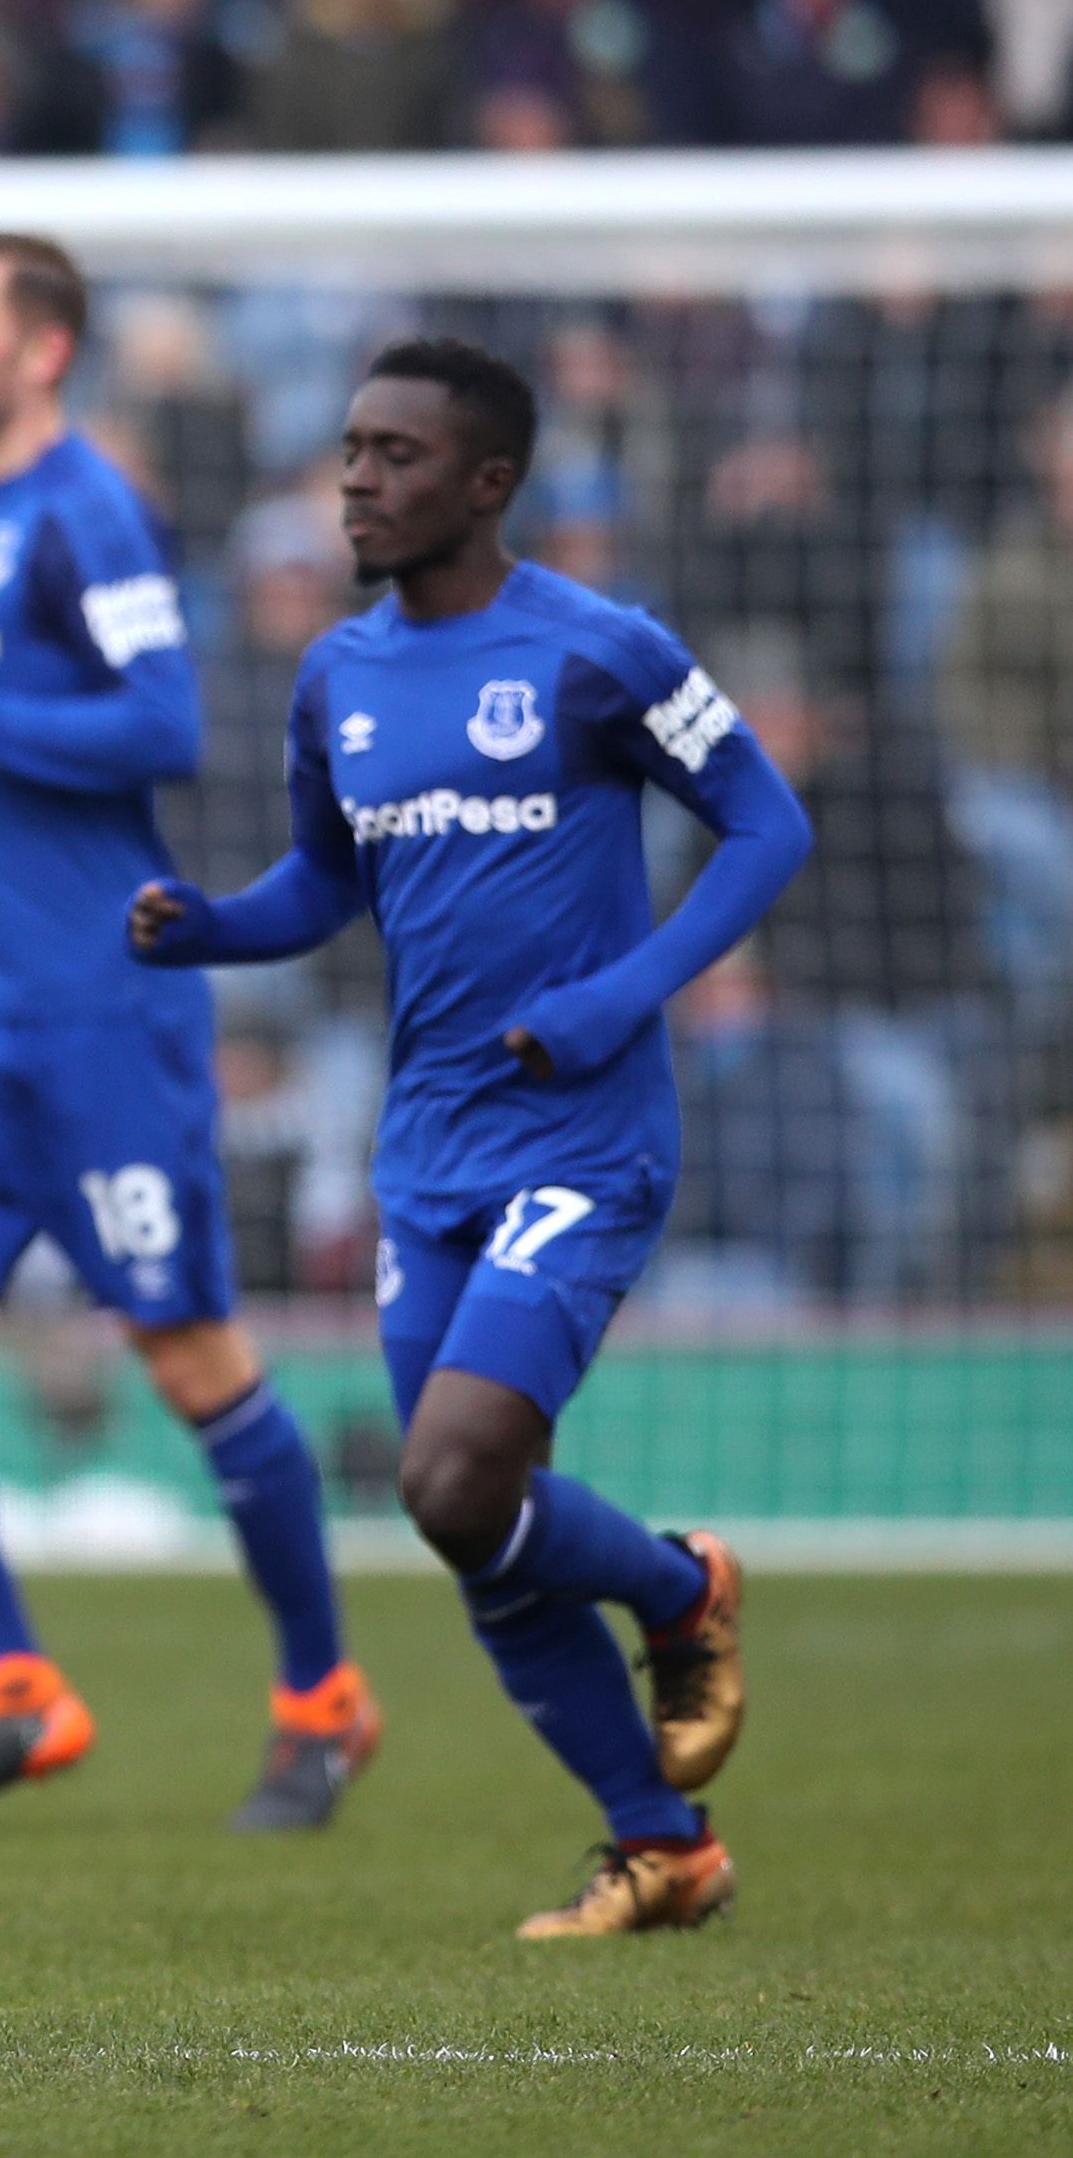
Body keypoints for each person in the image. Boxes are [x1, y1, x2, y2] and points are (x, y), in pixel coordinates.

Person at [130, 338, 809, 1937]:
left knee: (450, 1471)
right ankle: (661, 1846)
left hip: (580, 1135)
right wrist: (210, 929)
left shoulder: (597, 651)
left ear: (487, 482)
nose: (356, 480)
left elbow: (765, 822)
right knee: (472, 1529)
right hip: (420, 1143)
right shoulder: (336, 676)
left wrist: (615, 994)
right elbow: (322, 884)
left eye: (395, 455)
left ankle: (674, 1585)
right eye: (348, 449)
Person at [0, 233, 376, 1837]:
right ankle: (11, 1685)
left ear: (41, 350)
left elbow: (161, 724)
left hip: (93, 1011)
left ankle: (321, 1699)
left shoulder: (87, 509)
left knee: (186, 1353)